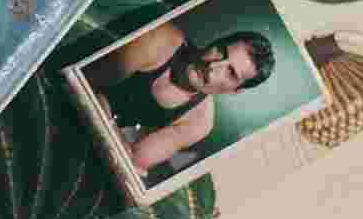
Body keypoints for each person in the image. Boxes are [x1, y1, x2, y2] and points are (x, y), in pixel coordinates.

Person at [85, 20, 275, 174]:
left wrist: (103, 110)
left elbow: (134, 163)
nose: (213, 66)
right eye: (221, 51)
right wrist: (116, 135)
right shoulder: (160, 40)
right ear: (214, 42)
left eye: (230, 72)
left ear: (234, 91)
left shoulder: (199, 122)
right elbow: (85, 81)